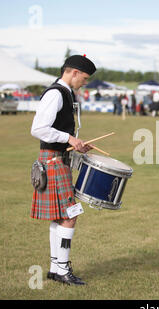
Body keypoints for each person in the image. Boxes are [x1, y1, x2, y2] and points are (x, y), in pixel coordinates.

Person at [30, 54, 96, 286]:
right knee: (71, 214)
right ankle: (62, 269)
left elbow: (57, 131)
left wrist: (76, 143)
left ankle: (54, 267)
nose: (84, 83)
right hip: (53, 160)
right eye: (84, 78)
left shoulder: (65, 93)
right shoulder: (56, 93)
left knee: (60, 216)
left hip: (59, 158)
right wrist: (68, 137)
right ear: (73, 72)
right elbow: (38, 128)